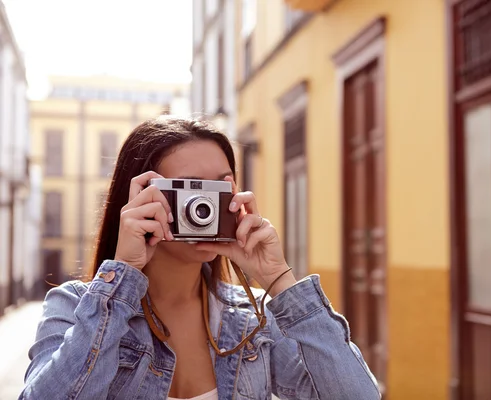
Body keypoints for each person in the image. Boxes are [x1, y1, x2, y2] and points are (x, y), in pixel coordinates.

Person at [20, 116, 381, 400]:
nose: (205, 207)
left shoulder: (254, 321)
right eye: (190, 189)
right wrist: (124, 273)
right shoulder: (76, 309)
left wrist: (280, 280)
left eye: (220, 187)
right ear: (140, 198)